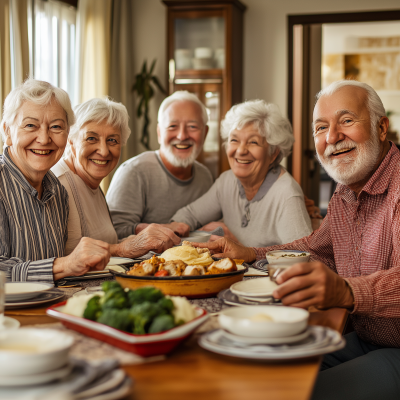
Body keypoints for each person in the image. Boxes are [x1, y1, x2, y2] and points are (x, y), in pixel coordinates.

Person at [193, 80, 400, 400]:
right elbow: (316, 249)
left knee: (296, 394)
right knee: (260, 377)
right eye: (321, 127)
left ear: (381, 127)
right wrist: (250, 252)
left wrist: (347, 290)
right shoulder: (346, 193)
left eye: (346, 121)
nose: (332, 137)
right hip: (366, 338)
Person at [0, 79, 110, 282]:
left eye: (56, 127)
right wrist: (65, 265)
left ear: (68, 134)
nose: (44, 138)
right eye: (30, 125)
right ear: (7, 132)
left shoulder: (58, 191)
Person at [170, 100, 312, 247]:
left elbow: (303, 257)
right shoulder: (227, 181)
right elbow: (190, 215)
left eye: (253, 142)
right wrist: (174, 229)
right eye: (234, 140)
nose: (241, 150)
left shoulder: (286, 194)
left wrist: (240, 248)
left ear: (273, 153)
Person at [52, 98, 181, 258]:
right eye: (91, 138)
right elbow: (59, 259)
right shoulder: (58, 185)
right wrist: (122, 248)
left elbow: (103, 241)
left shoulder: (91, 183)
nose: (104, 151)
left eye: (112, 140)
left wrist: (142, 238)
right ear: (71, 141)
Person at [106, 91, 213, 239]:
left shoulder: (205, 176)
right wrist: (163, 229)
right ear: (159, 132)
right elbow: (112, 232)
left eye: (192, 127)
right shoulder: (134, 172)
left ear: (205, 133)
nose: (182, 136)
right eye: (172, 126)